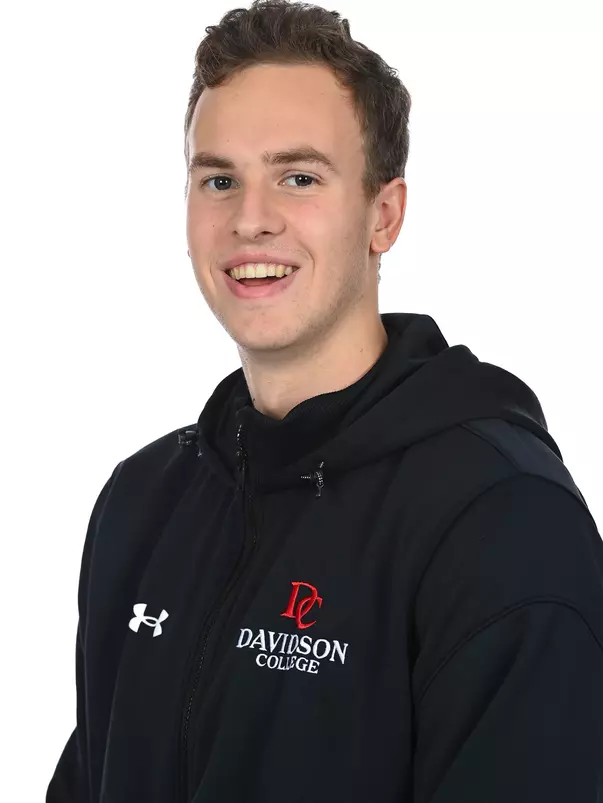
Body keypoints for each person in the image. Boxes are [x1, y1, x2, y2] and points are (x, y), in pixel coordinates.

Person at [46, 1, 603, 801]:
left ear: (383, 215)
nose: (251, 219)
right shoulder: (142, 501)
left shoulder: (500, 520)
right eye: (219, 179)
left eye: (298, 176)